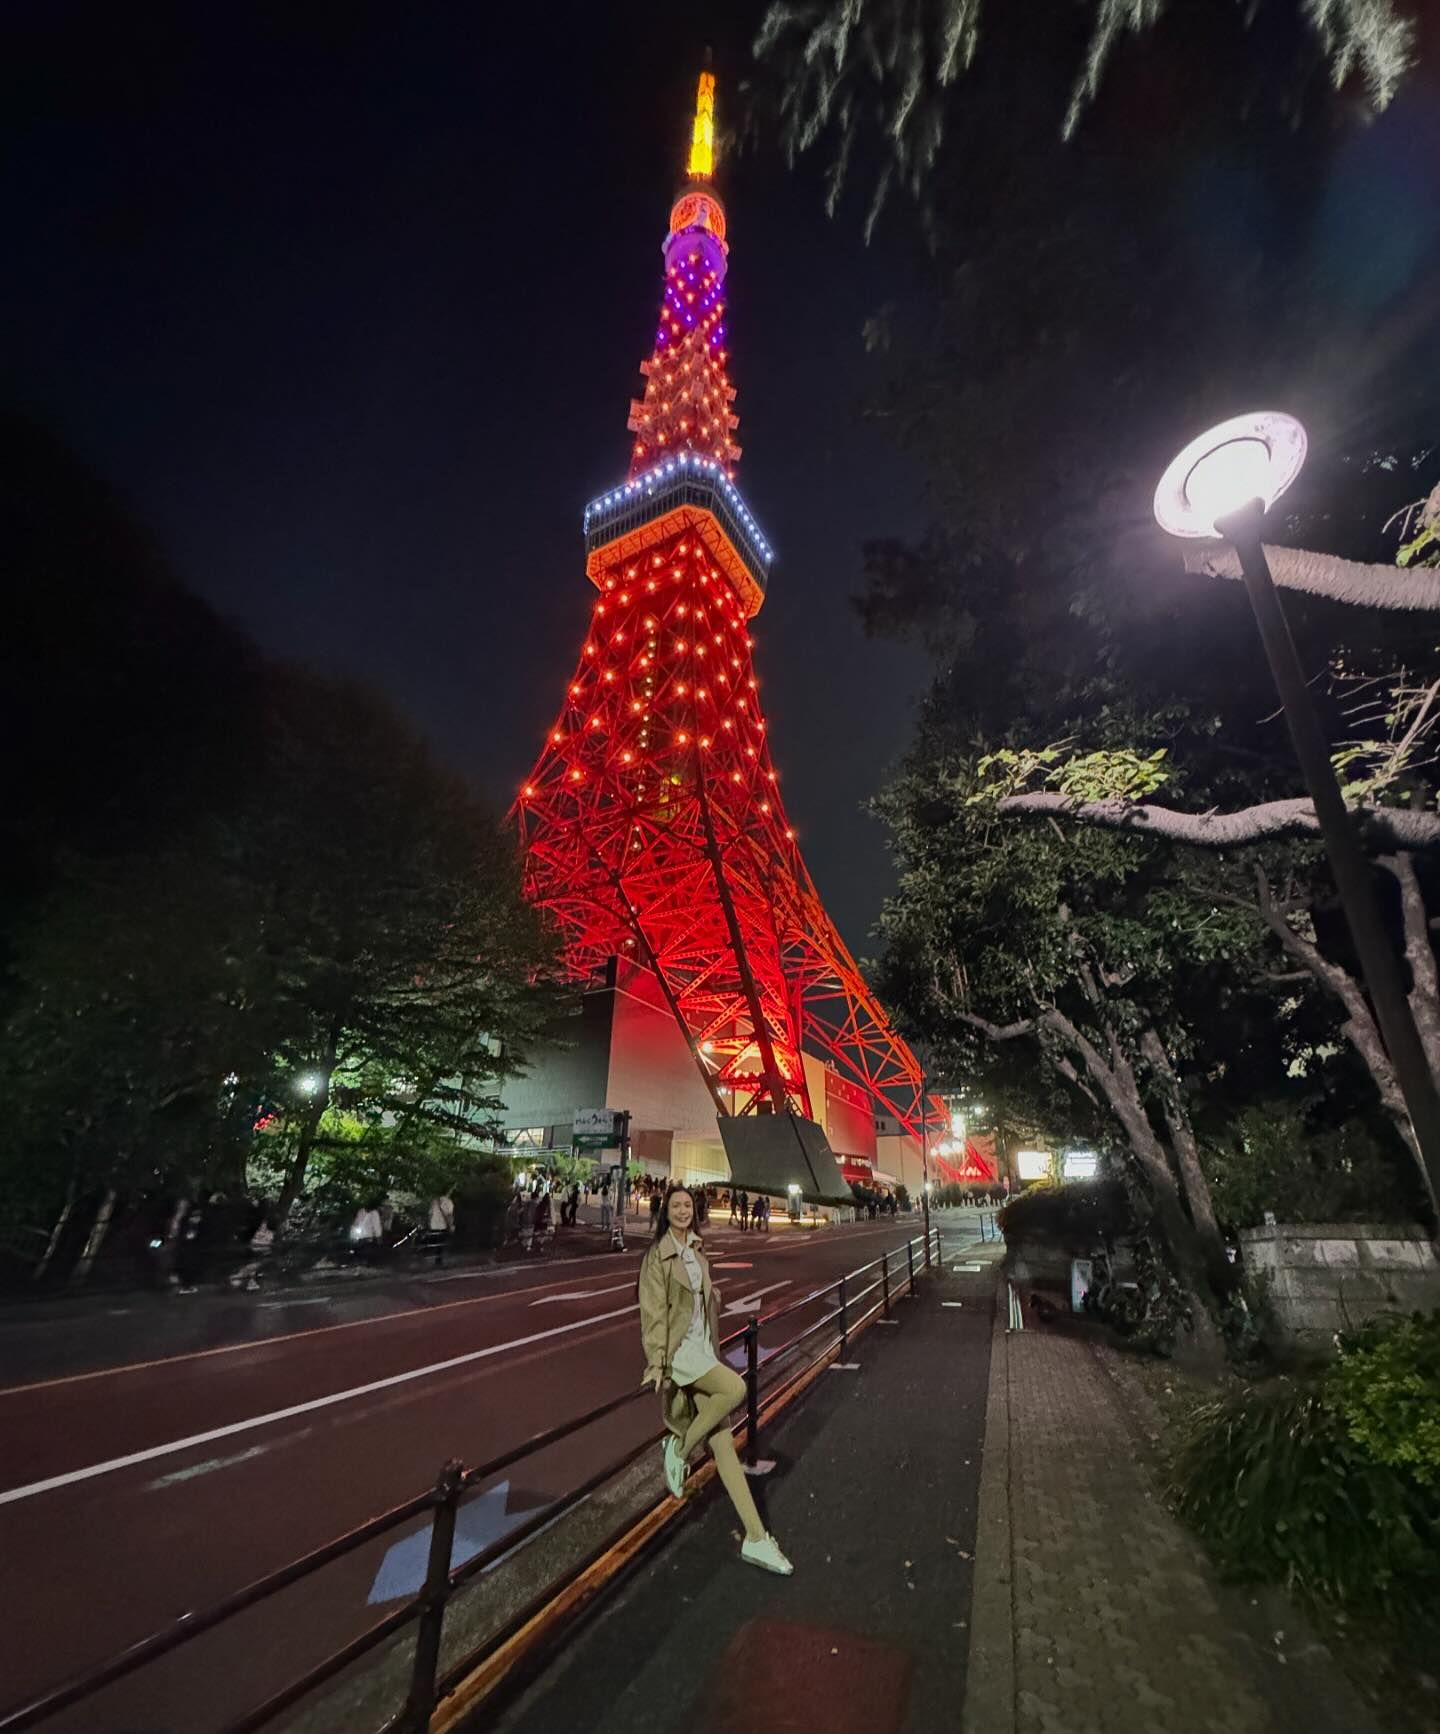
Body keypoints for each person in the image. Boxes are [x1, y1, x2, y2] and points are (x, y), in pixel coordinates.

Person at [638, 1186, 792, 1576]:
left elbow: (698, 1295)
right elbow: (653, 1314)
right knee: (736, 1388)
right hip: (681, 1355)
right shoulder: (657, 1256)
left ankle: (756, 1538)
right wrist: (658, 1362)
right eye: (675, 1205)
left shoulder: (696, 1247)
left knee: (725, 1448)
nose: (682, 1210)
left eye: (687, 1204)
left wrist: (714, 1296)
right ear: (664, 1212)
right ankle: (681, 1448)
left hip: (703, 1349)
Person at [350, 1200, 384, 1265]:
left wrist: (378, 1235)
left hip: (366, 1235)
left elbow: (376, 1226)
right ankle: (363, 1261)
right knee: (363, 1249)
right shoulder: (363, 1212)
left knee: (364, 1250)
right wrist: (379, 1236)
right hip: (364, 1235)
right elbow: (356, 1222)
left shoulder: (371, 1213)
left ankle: (364, 1261)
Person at [427, 1191, 455, 1266]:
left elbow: (430, 1214)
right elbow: (449, 1216)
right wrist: (451, 1225)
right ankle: (439, 1261)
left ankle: (436, 1259)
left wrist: (429, 1224)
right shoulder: (448, 1202)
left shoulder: (434, 1201)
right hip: (442, 1225)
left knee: (436, 1244)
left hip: (433, 1225)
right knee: (441, 1244)